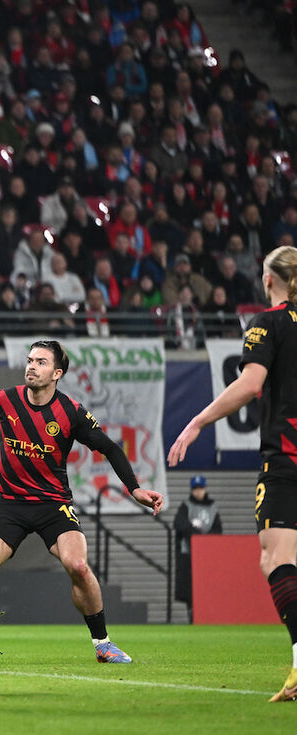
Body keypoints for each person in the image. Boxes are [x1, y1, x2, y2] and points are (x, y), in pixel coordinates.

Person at [0, 340, 164, 666]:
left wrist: (134, 489)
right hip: (10, 504)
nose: (31, 366)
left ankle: (103, 644)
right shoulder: (4, 399)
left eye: (41, 362)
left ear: (57, 373)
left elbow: (110, 447)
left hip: (54, 505)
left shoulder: (71, 412)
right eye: (30, 360)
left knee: (78, 566)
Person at [169, 245, 297, 702]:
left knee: (276, 558)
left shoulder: (268, 321)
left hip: (287, 458)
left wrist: (198, 421)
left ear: (268, 280)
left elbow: (251, 384)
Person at [173, 475, 222, 621]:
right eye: (195, 489)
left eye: (200, 488)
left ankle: (208, 613)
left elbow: (218, 530)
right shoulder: (186, 506)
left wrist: (205, 541)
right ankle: (192, 612)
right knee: (189, 588)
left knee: (208, 587)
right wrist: (196, 537)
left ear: (205, 489)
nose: (198, 492)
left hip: (208, 555)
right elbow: (179, 524)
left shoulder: (213, 508)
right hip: (188, 555)